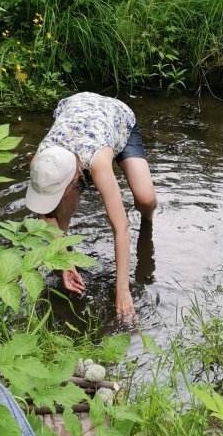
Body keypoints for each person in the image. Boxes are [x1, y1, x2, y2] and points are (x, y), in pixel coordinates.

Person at [25, 92, 156, 317]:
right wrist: (64, 262)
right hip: (76, 112)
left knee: (145, 199)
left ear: (75, 179)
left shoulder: (98, 165)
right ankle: (68, 262)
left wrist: (122, 291)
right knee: (59, 217)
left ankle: (149, 220)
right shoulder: (41, 163)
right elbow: (44, 214)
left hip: (115, 120)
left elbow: (121, 228)